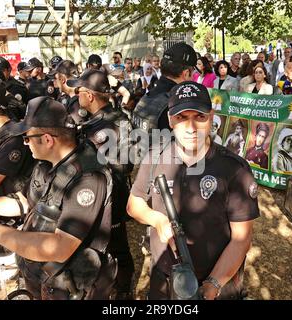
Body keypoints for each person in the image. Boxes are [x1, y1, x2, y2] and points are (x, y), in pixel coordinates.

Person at [0, 97, 117, 299]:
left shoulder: (88, 179)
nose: (24, 143)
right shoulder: (46, 164)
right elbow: (25, 203)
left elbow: (61, 247)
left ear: (47, 139)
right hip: (42, 277)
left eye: (27, 137)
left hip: (72, 286)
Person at [127, 81, 259, 300]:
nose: (190, 128)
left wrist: (212, 286)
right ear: (170, 119)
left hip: (217, 283)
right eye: (181, 118)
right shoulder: (155, 157)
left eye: (199, 117)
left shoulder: (234, 169)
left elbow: (241, 238)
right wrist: (158, 220)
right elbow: (134, 205)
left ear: (211, 117)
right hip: (166, 279)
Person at [67, 69, 135, 299]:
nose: (77, 96)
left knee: (118, 247)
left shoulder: (116, 122)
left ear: (90, 95)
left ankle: (124, 290)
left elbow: (125, 164)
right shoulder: (92, 121)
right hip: (94, 196)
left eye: (80, 91)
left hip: (111, 197)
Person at [132, 42, 197, 135]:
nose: (193, 79)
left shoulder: (146, 97)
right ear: (186, 73)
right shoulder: (177, 105)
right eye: (193, 74)